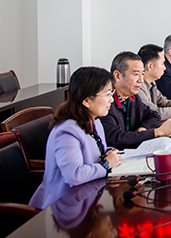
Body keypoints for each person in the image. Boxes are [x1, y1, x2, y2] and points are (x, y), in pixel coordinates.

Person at [29, 67, 122, 209]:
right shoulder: (66, 132)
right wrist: (106, 165)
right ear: (86, 101)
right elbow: (74, 175)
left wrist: (109, 152)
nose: (111, 100)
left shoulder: (95, 121)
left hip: (87, 197)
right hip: (61, 207)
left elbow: (95, 151)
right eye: (107, 94)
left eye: (111, 93)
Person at [100, 52, 171, 150]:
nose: (141, 80)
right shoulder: (106, 102)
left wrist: (143, 130)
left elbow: (154, 115)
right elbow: (116, 138)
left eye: (142, 74)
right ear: (117, 76)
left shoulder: (132, 97)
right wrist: (157, 132)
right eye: (135, 74)